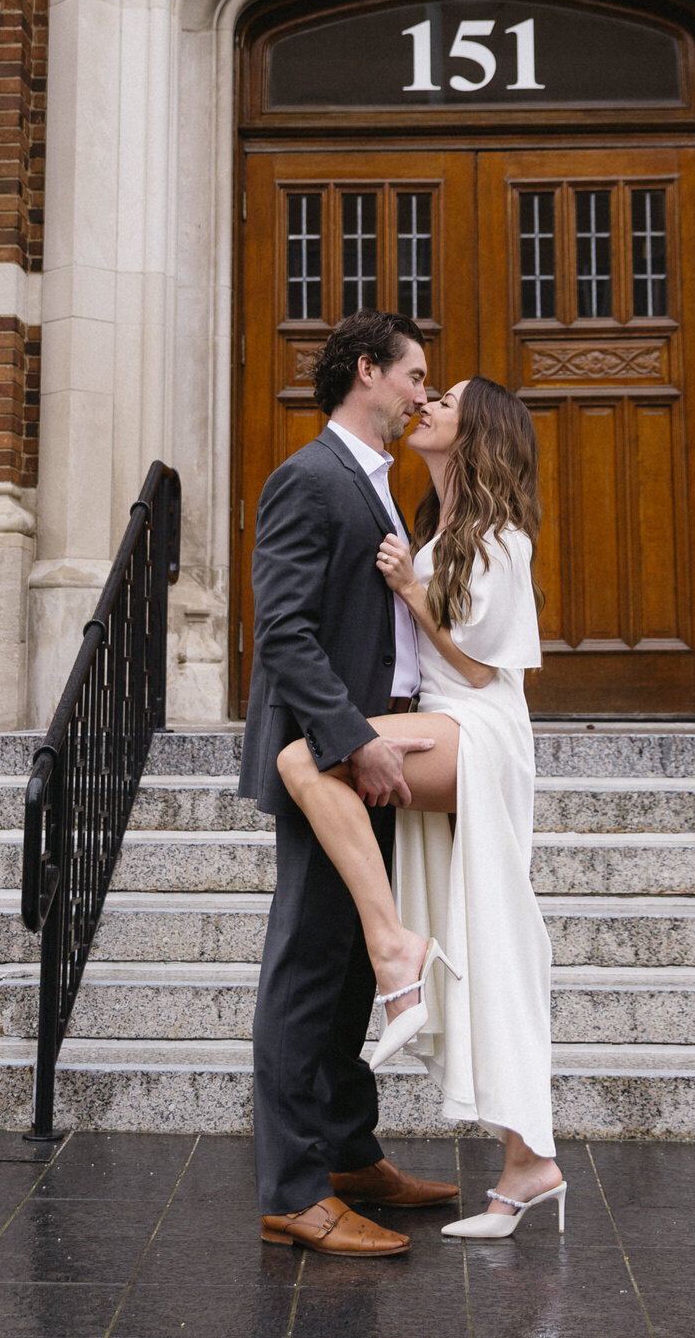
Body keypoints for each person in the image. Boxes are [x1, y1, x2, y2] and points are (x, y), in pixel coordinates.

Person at [277, 375, 564, 1241]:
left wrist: (409, 592)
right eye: (427, 393)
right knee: (488, 942)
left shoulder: (500, 538)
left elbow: (482, 672)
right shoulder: (432, 525)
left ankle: (395, 951)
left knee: (305, 754)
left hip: (479, 731)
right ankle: (527, 1164)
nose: (428, 406)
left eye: (448, 402)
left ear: (478, 432)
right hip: (439, 722)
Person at [239, 308, 462, 1258]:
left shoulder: (378, 485)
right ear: (368, 372)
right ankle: (294, 1191)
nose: (423, 394)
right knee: (304, 969)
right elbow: (281, 628)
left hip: (370, 753)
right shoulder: (310, 476)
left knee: (341, 974)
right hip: (324, 759)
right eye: (415, 376)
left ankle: (347, 1152)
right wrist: (349, 741)